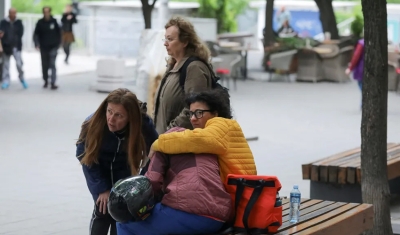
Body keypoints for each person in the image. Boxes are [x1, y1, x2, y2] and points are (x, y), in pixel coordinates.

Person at [116, 127, 232, 235]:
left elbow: (152, 182)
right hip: (219, 217)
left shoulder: (164, 143)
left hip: (186, 212)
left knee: (124, 224)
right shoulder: (205, 146)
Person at [76, 88, 158, 235]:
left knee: (122, 216)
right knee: (102, 211)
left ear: (130, 117)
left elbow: (156, 153)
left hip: (125, 174)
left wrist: (141, 181)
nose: (111, 119)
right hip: (100, 170)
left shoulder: (142, 124)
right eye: (109, 111)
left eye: (118, 115)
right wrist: (101, 188)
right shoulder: (93, 123)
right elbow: (84, 156)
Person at [150, 89, 257, 184]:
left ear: (215, 113)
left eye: (199, 113)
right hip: (239, 191)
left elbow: (196, 139)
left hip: (241, 195)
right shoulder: (219, 129)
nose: (192, 118)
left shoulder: (222, 124)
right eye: (191, 114)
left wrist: (158, 143)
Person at [153, 16, 214, 134]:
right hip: (165, 143)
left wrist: (170, 132)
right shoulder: (173, 66)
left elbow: (195, 110)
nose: (165, 43)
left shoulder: (194, 68)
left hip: (179, 144)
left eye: (170, 39)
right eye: (165, 39)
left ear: (185, 42)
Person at [33, 6, 61, 90]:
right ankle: (45, 80)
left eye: (47, 12)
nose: (46, 13)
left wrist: (58, 44)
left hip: (53, 46)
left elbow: (59, 33)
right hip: (43, 46)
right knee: (44, 65)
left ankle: (53, 82)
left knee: (52, 64)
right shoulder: (40, 23)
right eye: (45, 12)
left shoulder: (54, 22)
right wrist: (36, 44)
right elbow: (36, 34)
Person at [0, 8, 27, 89]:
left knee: (19, 64)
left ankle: (22, 78)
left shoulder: (18, 22)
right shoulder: (3, 22)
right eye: (12, 13)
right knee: (6, 65)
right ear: (9, 13)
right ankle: (6, 81)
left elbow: (21, 34)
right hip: (6, 47)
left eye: (14, 13)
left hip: (16, 46)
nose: (13, 14)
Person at [345, 38, 364, 107]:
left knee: (362, 86)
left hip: (361, 68)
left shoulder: (361, 43)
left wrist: (350, 68)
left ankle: (364, 103)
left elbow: (356, 56)